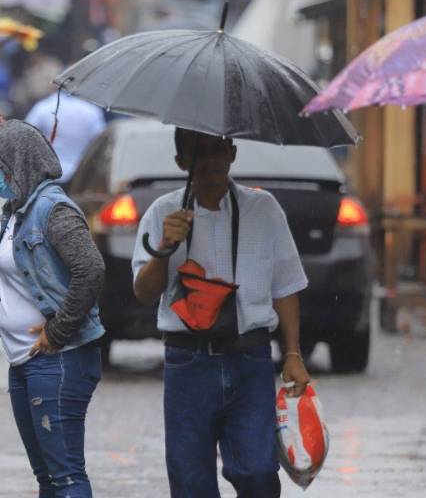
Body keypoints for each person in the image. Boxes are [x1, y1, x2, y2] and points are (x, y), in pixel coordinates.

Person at [132, 128, 311, 498]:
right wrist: (165, 246)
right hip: (187, 364)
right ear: (181, 161)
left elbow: (287, 286)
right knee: (190, 482)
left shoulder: (264, 209)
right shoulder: (162, 213)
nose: (212, 159)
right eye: (200, 151)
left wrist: (293, 354)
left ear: (233, 152)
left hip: (251, 360)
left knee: (260, 473)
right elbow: (144, 293)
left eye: (219, 148)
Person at [0, 119, 105, 498]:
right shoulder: (15, 213)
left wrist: (58, 329)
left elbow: (91, 269)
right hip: (23, 360)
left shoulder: (54, 210)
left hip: (60, 359)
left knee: (66, 475)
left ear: (17, 164)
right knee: (47, 478)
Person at [25, 91, 107, 186]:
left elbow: (26, 136)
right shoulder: (91, 111)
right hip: (80, 175)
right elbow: (101, 141)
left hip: (47, 174)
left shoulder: (43, 107)